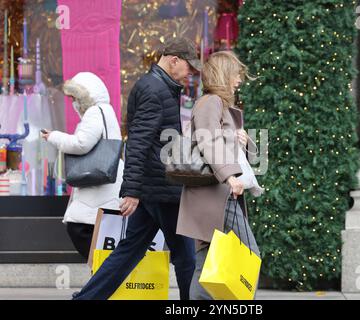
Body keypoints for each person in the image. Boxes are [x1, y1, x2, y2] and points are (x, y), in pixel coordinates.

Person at [72, 37, 201, 300]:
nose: (189, 73)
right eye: (188, 66)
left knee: (130, 250)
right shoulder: (155, 89)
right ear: (173, 60)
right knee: (186, 258)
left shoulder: (160, 86)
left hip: (154, 186)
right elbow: (138, 141)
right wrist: (131, 190)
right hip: (161, 188)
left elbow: (149, 139)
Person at [176, 51, 261, 300]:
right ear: (224, 75)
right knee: (248, 253)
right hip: (217, 194)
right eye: (236, 74)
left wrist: (243, 141)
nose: (239, 81)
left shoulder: (223, 106)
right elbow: (208, 141)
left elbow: (229, 147)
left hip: (217, 194)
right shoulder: (210, 102)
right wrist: (229, 177)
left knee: (207, 260)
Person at [41, 72, 124, 260]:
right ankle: (102, 280)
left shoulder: (95, 112)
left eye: (75, 98)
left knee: (79, 228)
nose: (73, 103)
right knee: (96, 236)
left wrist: (54, 136)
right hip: (103, 183)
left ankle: (103, 279)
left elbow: (82, 143)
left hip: (98, 184)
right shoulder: (105, 111)